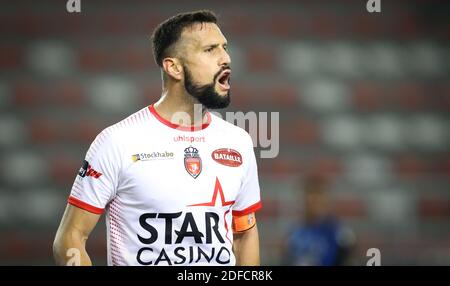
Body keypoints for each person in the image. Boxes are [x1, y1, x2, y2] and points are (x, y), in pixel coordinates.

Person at [53, 10, 262, 266]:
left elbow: (244, 234)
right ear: (173, 66)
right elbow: (70, 238)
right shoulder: (117, 142)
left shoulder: (237, 141)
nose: (226, 58)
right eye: (210, 50)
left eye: (225, 47)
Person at [284, 175, 355, 266]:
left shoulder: (340, 233)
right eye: (310, 198)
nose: (314, 204)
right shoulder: (294, 233)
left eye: (318, 198)